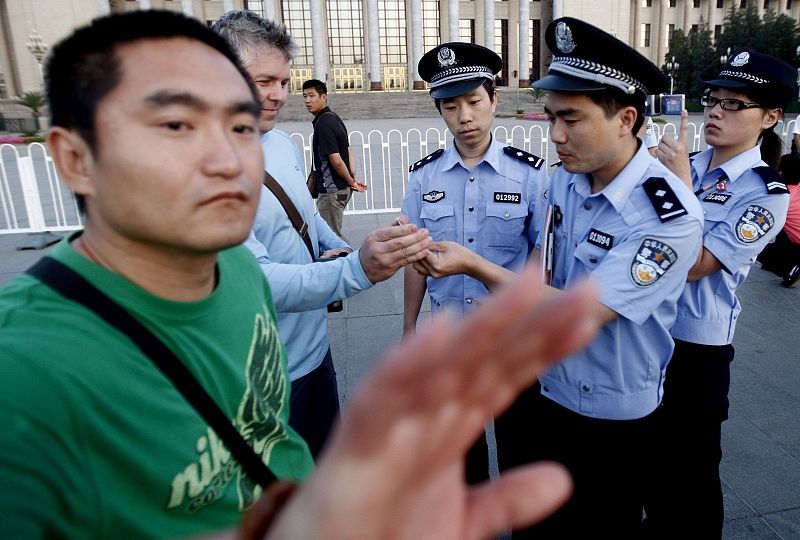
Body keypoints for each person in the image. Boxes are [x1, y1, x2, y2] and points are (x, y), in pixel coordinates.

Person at [0, 10, 604, 540]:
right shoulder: (27, 366)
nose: (227, 159)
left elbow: (275, 454)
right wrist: (364, 276)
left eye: (241, 126)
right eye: (177, 127)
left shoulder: (232, 267)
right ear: (75, 158)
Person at [412, 18, 704, 537]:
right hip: (551, 389)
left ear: (626, 119)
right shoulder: (569, 183)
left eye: (570, 119)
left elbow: (582, 311)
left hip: (611, 415)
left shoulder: (667, 218)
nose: (555, 136)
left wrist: (475, 265)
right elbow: (544, 268)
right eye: (550, 118)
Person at [212, 11, 431, 459]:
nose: (278, 96)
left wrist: (338, 247)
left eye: (284, 82)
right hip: (260, 376)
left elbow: (306, 219)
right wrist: (357, 270)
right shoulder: (206, 168)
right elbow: (257, 282)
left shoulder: (280, 145)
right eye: (263, 82)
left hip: (314, 353)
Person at [647, 50, 795, 538]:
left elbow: (695, 265)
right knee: (648, 461)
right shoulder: (684, 162)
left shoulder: (766, 191)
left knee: (691, 472)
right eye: (713, 99)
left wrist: (682, 186)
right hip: (645, 331)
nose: (715, 110)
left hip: (697, 348)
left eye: (735, 104)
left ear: (770, 117)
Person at [400, 42, 549, 485]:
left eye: (473, 101)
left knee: (521, 448)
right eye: (450, 106)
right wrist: (409, 329)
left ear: (494, 98)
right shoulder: (423, 176)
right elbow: (414, 257)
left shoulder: (530, 174)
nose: (464, 116)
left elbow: (541, 256)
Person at [302, 78, 366, 240]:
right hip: (342, 188)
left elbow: (336, 159)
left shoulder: (324, 123)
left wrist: (351, 181)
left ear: (324, 97)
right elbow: (348, 150)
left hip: (331, 191)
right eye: (304, 96)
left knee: (331, 238)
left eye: (312, 95)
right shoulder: (333, 118)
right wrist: (352, 178)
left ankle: (351, 263)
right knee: (332, 233)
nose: (307, 101)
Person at [757, 152, 800, 287]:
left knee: (759, 250)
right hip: (793, 240)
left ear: (780, 172)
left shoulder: (781, 198)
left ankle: (791, 270)